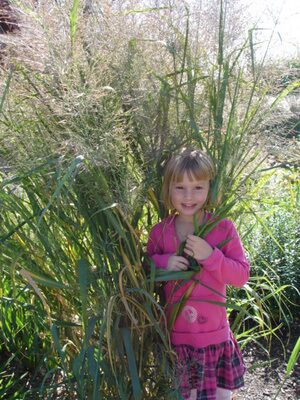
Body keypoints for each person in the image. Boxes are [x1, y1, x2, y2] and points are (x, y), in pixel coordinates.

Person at [147, 148, 250, 400]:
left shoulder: (222, 228)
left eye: (198, 188)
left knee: (222, 396)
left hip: (215, 338)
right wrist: (164, 262)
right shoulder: (160, 232)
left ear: (209, 188)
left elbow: (241, 275)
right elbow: (144, 268)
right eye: (179, 187)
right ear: (167, 189)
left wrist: (211, 256)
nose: (189, 196)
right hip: (178, 339)